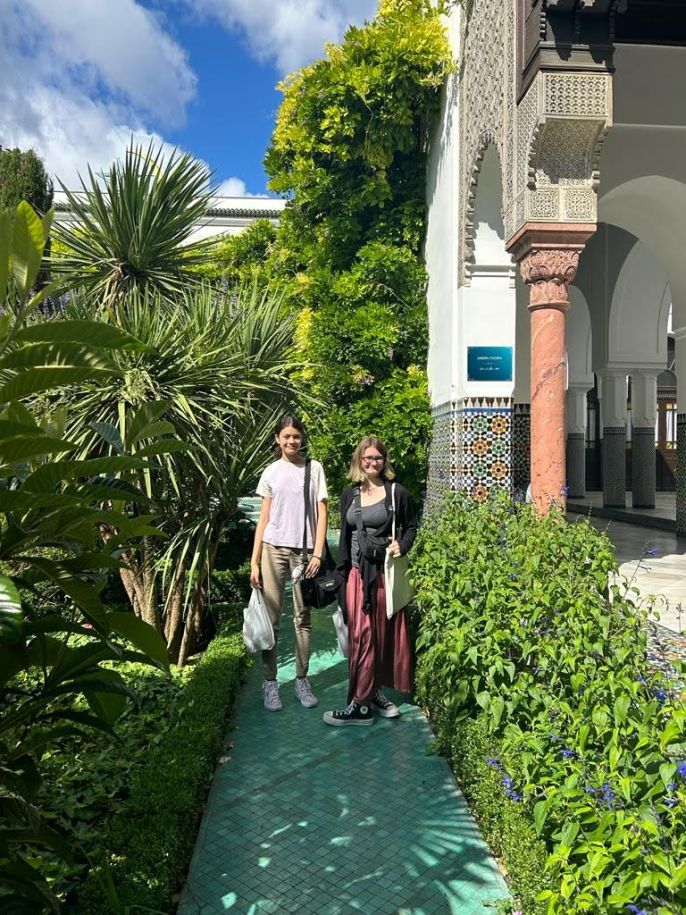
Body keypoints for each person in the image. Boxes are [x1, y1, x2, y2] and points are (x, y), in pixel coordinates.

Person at [323, 436, 416, 727]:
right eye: (367, 458)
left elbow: (412, 526)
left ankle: (364, 702)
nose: (373, 463)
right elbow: (344, 538)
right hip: (354, 575)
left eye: (377, 458)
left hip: (382, 576)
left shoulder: (396, 493)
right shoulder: (349, 494)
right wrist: (339, 578)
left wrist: (403, 544)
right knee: (361, 637)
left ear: (384, 461)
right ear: (359, 462)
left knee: (379, 635)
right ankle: (365, 699)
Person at [250, 414, 328, 712]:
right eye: (286, 436)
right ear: (277, 439)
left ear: (301, 438)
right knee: (271, 620)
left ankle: (301, 679)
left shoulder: (314, 469)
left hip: (304, 553)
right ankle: (270, 683)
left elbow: (323, 514)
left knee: (302, 617)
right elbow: (264, 518)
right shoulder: (270, 472)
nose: (292, 441)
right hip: (273, 549)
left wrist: (318, 553)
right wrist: (255, 560)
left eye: (296, 436)